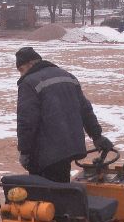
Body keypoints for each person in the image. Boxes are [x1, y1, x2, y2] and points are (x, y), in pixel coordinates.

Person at [14, 47, 111, 182]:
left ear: (30, 64)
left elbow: (27, 122)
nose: (21, 75)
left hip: (46, 153)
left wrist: (25, 151)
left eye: (21, 70)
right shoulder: (67, 76)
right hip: (70, 147)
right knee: (61, 187)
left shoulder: (29, 83)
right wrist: (97, 136)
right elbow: (85, 109)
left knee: (45, 194)